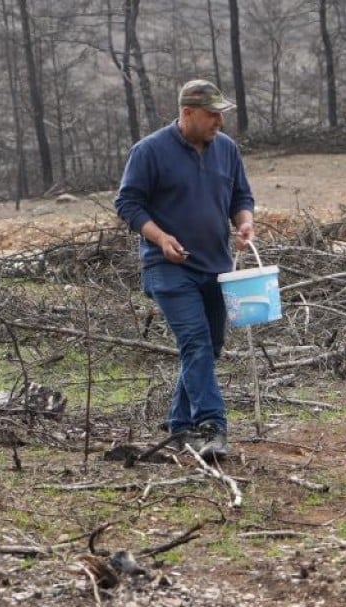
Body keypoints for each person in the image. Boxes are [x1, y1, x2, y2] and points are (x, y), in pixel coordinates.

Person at [115, 79, 256, 459]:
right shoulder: (149, 151)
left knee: (209, 347)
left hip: (216, 265)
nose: (219, 124)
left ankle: (179, 426)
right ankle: (213, 425)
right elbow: (128, 204)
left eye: (221, 116)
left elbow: (241, 196)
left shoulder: (227, 150)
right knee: (194, 341)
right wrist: (160, 238)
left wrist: (244, 223)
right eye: (212, 116)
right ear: (187, 113)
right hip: (168, 267)